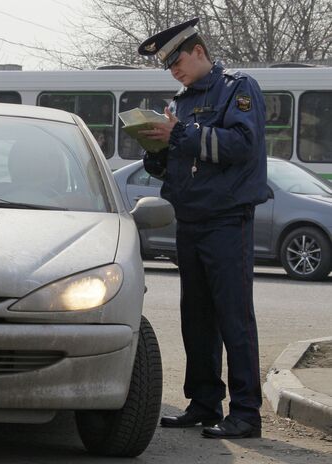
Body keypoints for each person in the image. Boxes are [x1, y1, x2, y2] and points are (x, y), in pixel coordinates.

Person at [137, 18, 269, 439]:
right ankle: (204, 402)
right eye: (168, 66)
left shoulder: (237, 88)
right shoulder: (180, 101)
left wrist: (183, 133)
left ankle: (246, 412)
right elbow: (179, 160)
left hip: (227, 219)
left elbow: (241, 146)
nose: (173, 70)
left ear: (198, 51)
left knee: (234, 318)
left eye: (176, 60)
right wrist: (155, 151)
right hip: (190, 218)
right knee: (196, 317)